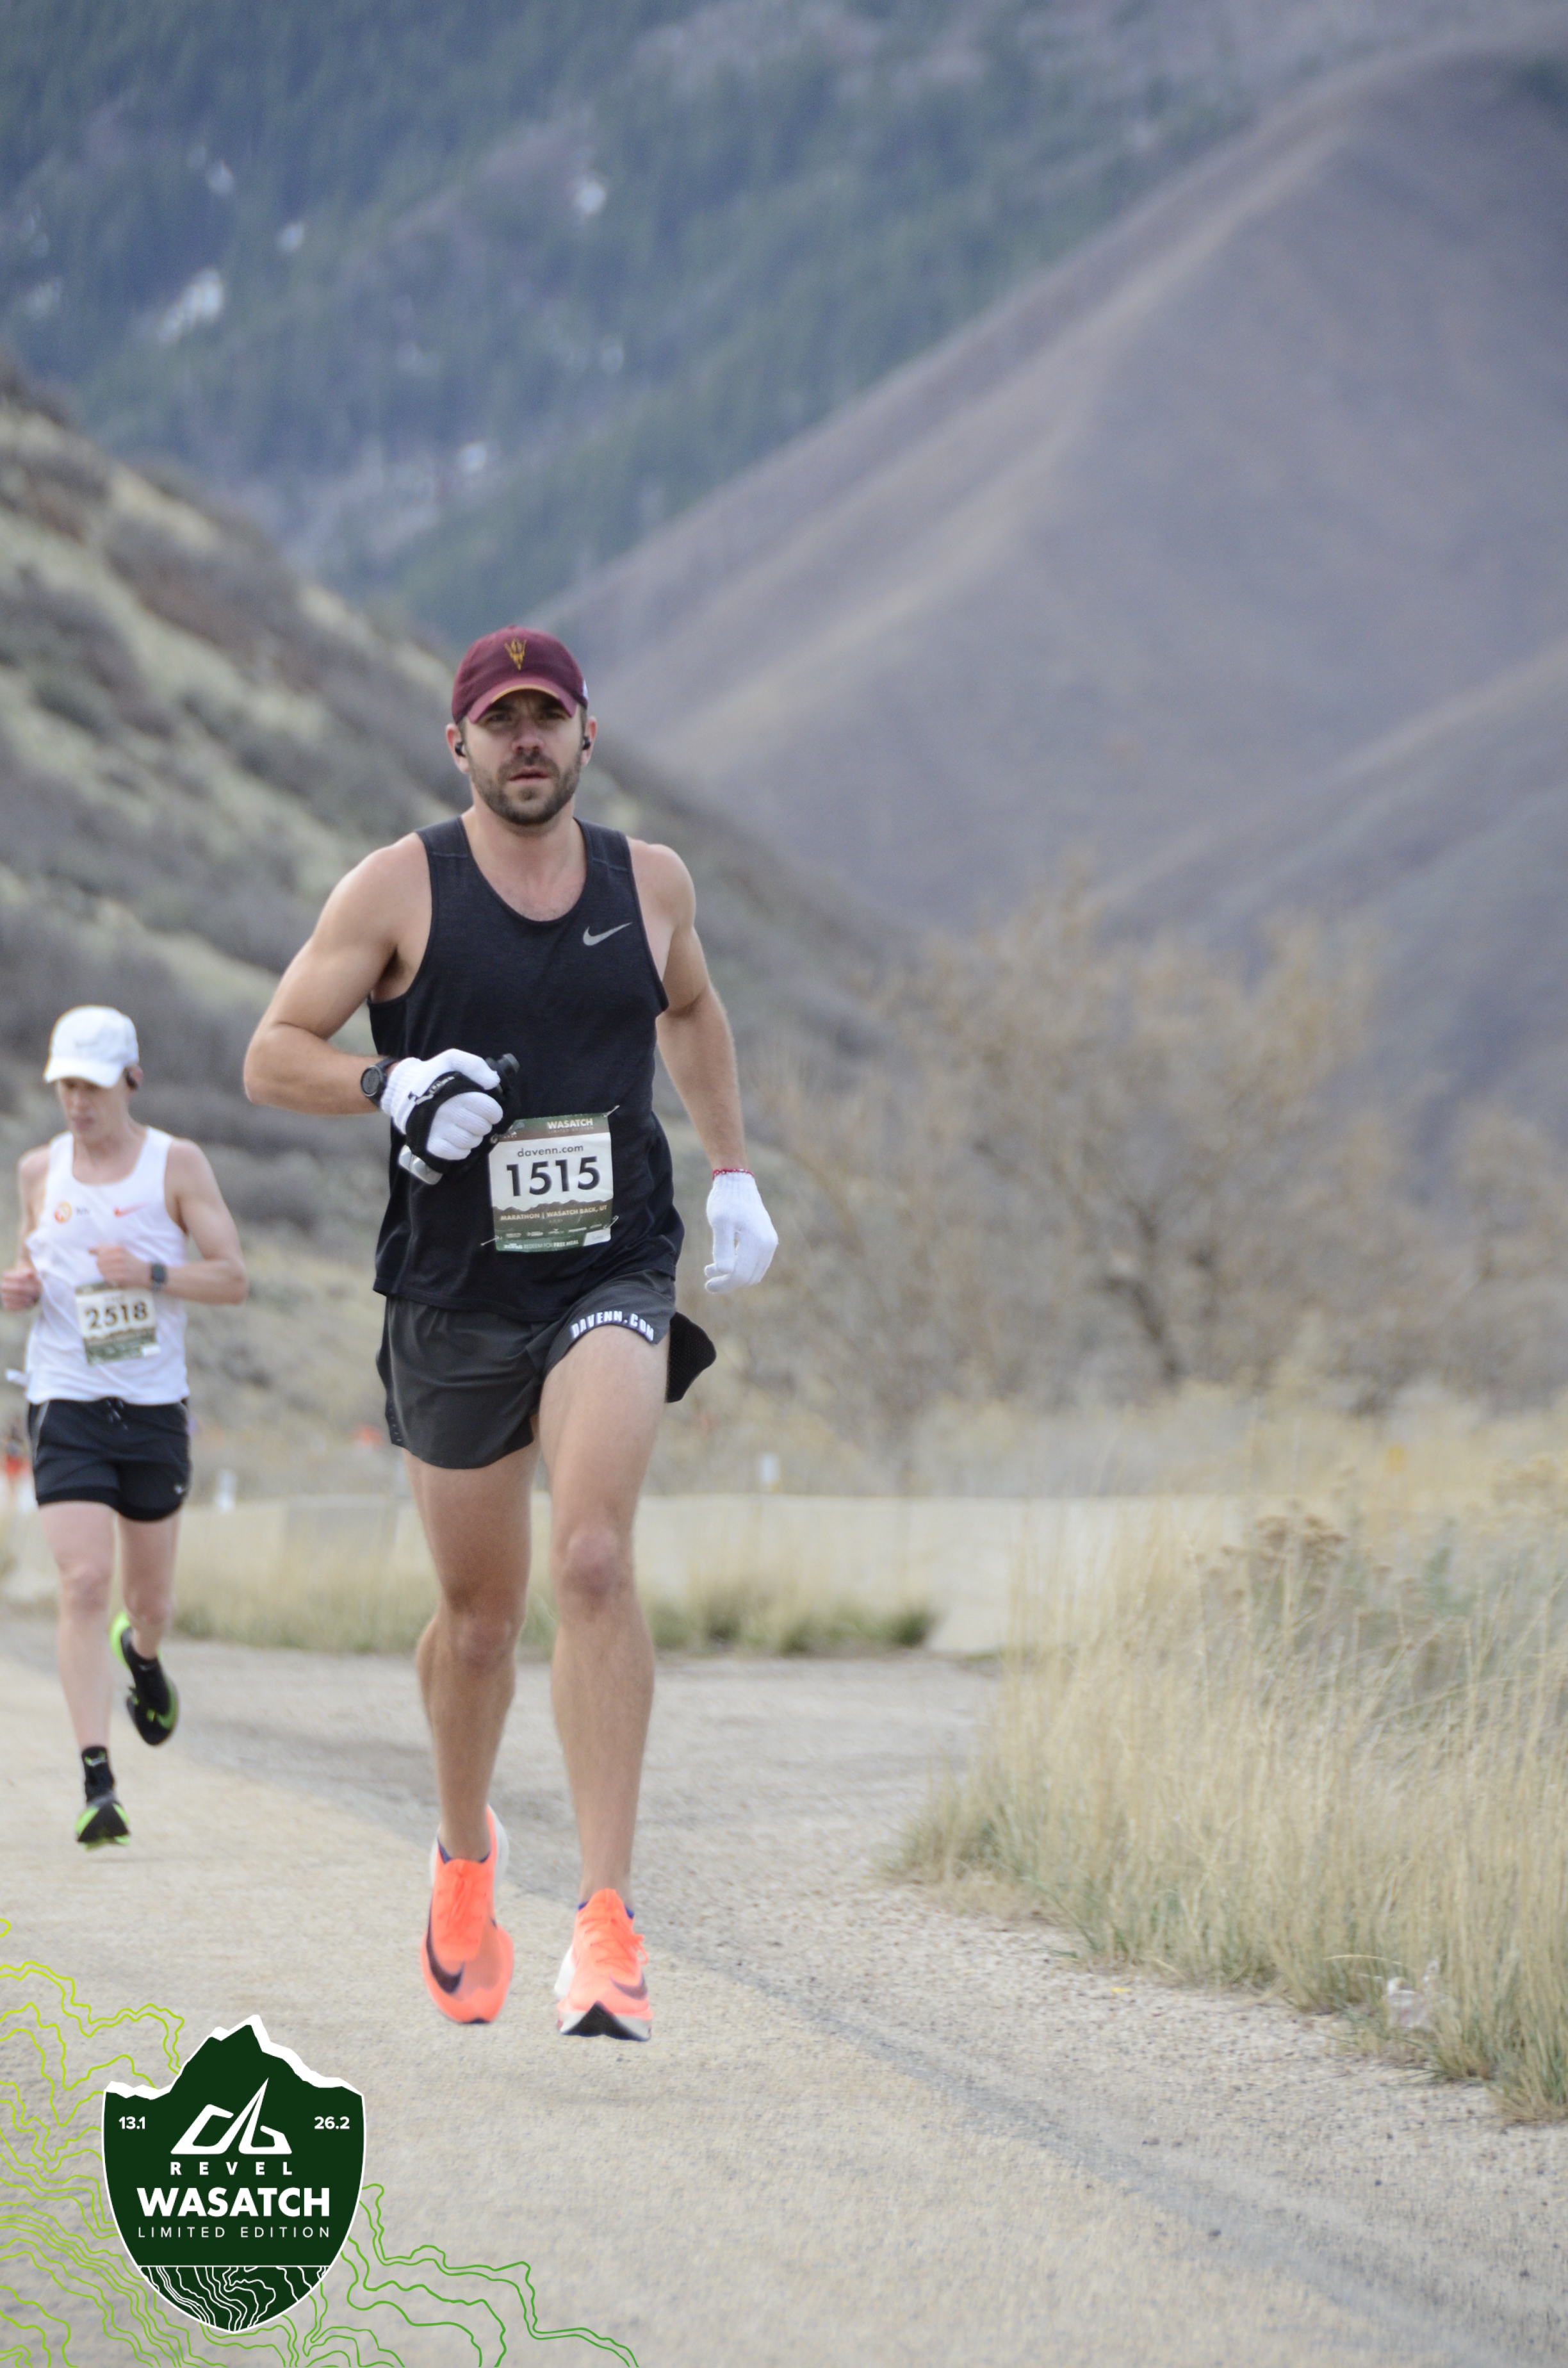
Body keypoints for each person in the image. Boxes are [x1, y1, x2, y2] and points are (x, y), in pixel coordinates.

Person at [244, 625, 776, 2038]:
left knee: (592, 1558)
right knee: (479, 1624)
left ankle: (606, 1925)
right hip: (454, 1291)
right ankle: (465, 1857)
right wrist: (394, 1085)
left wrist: (732, 1169)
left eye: (549, 716)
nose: (526, 739)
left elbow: (692, 1008)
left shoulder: (649, 883)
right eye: (501, 720)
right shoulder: (398, 887)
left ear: (589, 735)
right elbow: (270, 1055)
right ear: (459, 744)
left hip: (612, 1265)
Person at [1, 1006, 249, 1846]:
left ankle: (141, 1655)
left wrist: (151, 1272)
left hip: (150, 1408)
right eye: (66, 1086)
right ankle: (97, 1780)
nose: (78, 1103)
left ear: (131, 1081)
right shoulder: (39, 1169)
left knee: (150, 1602)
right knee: (81, 1581)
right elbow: (32, 1261)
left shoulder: (176, 1164)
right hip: (64, 1397)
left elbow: (232, 1278)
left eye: (94, 1087)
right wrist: (19, 1286)